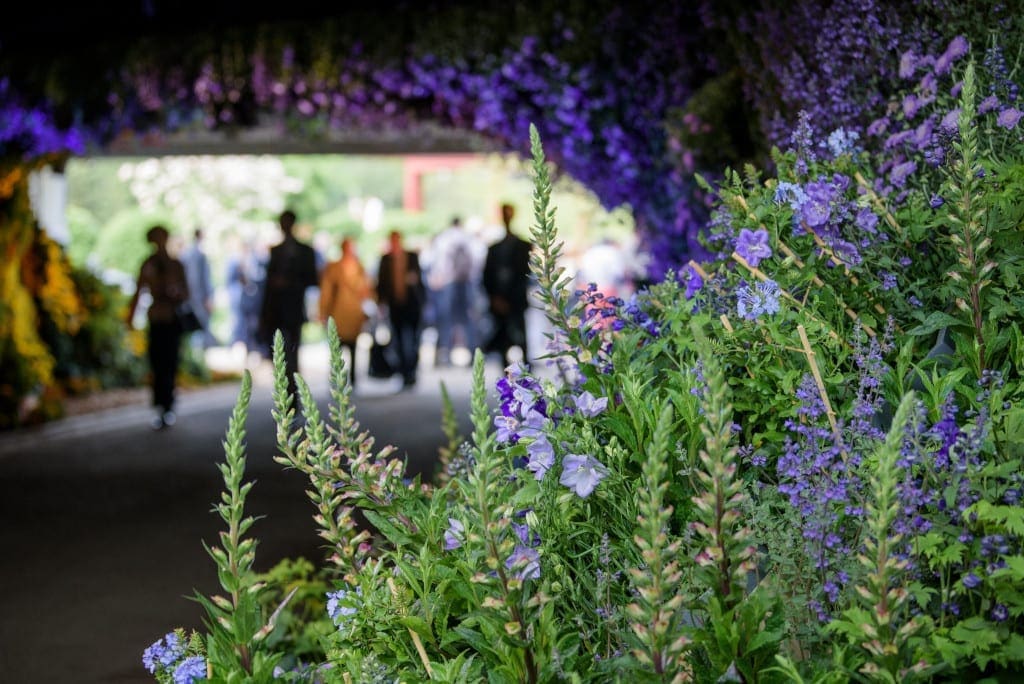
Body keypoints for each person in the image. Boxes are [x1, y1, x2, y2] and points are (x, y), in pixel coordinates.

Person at [126, 225, 190, 430]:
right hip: (156, 319)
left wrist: (175, 293)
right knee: (157, 362)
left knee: (170, 362)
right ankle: (159, 404)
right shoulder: (148, 264)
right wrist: (130, 317)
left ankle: (168, 404)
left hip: (171, 319)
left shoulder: (175, 265)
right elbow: (138, 290)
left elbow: (186, 293)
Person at [259, 210, 319, 397]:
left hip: (294, 310)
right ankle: (285, 394)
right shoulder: (275, 251)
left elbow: (312, 279)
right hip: (276, 312)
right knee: (280, 356)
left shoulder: (305, 251)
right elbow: (268, 287)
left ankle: (294, 396)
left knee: (293, 353)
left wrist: (290, 282)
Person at [482, 203, 532, 366]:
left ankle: (525, 369)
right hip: (501, 300)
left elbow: (525, 274)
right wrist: (495, 298)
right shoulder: (495, 248)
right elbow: (487, 275)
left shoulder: (522, 246)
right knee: (504, 337)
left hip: (515, 299)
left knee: (520, 337)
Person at [319, 236, 371, 389]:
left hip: (354, 313)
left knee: (353, 347)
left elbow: (366, 290)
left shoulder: (358, 267)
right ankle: (338, 381)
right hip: (338, 313)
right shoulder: (334, 267)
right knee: (337, 348)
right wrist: (323, 311)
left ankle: (353, 379)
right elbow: (326, 292)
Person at [376, 230, 425, 388]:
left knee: (413, 338)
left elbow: (419, 280)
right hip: (395, 304)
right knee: (398, 339)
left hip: (412, 304)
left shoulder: (411, 257)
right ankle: (404, 372)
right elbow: (381, 282)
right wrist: (381, 303)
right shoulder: (385, 259)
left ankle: (412, 370)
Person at [179, 227, 217, 350]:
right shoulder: (199, 255)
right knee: (199, 327)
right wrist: (209, 297)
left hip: (192, 297)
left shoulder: (186, 254)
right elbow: (205, 278)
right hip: (198, 297)